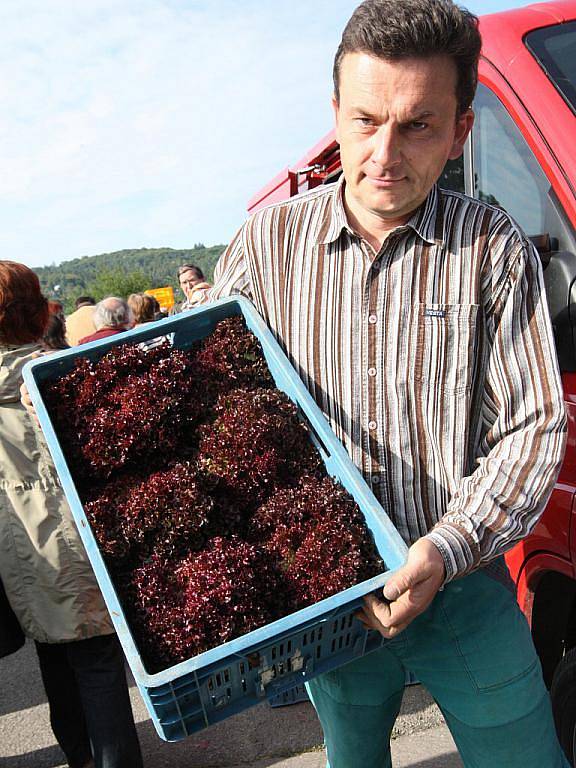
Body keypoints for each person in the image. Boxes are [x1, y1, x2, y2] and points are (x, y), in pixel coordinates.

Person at [199, 1, 569, 765]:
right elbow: (221, 406)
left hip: (461, 582)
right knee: (352, 753)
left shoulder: (491, 249)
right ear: (336, 113)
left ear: (461, 129)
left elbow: (532, 427)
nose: (384, 155)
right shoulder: (266, 247)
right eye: (365, 121)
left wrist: (445, 547)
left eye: (418, 125)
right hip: (328, 596)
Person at [0, 261, 143, 768]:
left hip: (23, 558)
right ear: (38, 313)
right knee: (99, 665)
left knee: (55, 661)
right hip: (84, 546)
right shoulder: (62, 375)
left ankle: (81, 758)